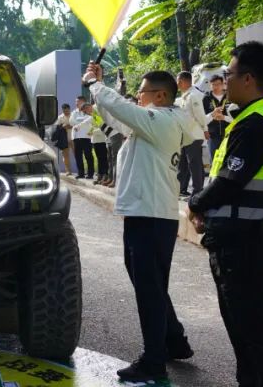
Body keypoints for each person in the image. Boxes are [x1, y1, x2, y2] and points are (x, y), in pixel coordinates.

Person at [187, 41, 263, 387]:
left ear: (248, 79)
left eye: (228, 74)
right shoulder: (247, 119)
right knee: (243, 328)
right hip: (237, 237)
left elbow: (230, 181)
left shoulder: (256, 125)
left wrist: (196, 203)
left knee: (256, 330)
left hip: (245, 242)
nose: (224, 81)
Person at [82, 63, 192, 384]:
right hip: (145, 214)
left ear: (160, 95)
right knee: (150, 283)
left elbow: (122, 108)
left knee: (149, 288)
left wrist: (94, 84)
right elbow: (117, 116)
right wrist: (98, 88)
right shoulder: (149, 123)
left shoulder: (162, 119)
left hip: (152, 217)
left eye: (141, 93)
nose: (137, 97)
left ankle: (153, 360)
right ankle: (174, 340)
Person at [175, 71, 207, 198]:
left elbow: (200, 115)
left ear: (183, 81)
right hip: (185, 135)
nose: (177, 83)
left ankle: (197, 191)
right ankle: (181, 189)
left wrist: (205, 129)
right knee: (183, 163)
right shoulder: (185, 96)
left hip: (194, 135)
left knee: (194, 164)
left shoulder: (194, 95)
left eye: (178, 81)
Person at [203, 74, 231, 161]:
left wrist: (224, 117)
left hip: (229, 134)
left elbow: (236, 117)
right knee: (214, 160)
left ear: (223, 84)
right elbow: (202, 118)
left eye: (218, 84)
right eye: (213, 84)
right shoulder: (206, 98)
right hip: (213, 135)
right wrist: (212, 114)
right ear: (210, 85)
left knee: (228, 160)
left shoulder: (230, 96)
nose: (216, 86)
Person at [85, 104, 110, 183]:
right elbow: (92, 127)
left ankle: (104, 175)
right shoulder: (93, 116)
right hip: (95, 141)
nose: (87, 112)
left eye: (87, 109)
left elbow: (101, 129)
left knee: (103, 159)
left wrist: (92, 132)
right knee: (99, 159)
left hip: (101, 140)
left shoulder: (97, 115)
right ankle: (100, 175)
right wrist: (91, 131)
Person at [70, 104, 95, 179]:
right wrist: (80, 123)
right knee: (78, 156)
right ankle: (81, 173)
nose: (85, 109)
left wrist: (78, 123)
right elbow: (71, 121)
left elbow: (88, 121)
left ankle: (90, 174)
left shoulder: (90, 115)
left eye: (86, 108)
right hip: (76, 137)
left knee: (88, 156)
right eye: (84, 108)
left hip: (86, 137)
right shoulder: (74, 113)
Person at [50, 104, 73, 175]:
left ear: (69, 109)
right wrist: (63, 126)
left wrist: (70, 126)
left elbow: (76, 124)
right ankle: (68, 170)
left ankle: (82, 171)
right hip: (64, 139)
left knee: (77, 154)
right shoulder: (60, 117)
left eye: (67, 111)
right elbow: (56, 128)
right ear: (62, 110)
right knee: (65, 155)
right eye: (64, 111)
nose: (66, 112)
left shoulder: (73, 116)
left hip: (73, 138)